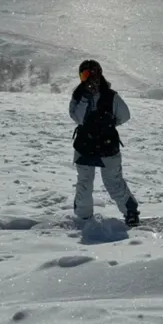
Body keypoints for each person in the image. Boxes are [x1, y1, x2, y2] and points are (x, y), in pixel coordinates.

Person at [69, 59, 140, 227]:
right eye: (84, 74)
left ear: (99, 74)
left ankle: (130, 212)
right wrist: (86, 99)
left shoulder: (111, 96)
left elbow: (125, 115)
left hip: (107, 145)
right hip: (85, 145)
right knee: (85, 182)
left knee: (113, 182)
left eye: (91, 73)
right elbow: (77, 118)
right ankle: (83, 217)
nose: (88, 78)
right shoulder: (78, 95)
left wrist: (108, 125)